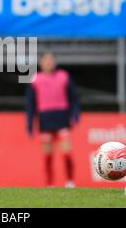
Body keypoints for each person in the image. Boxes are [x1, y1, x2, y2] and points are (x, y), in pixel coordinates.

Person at [26, 52, 80, 188]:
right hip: (45, 118)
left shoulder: (63, 76)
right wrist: (30, 124)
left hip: (62, 117)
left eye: (51, 60)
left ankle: (70, 181)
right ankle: (50, 184)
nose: (49, 63)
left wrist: (76, 114)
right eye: (46, 60)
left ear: (55, 62)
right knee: (47, 155)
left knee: (67, 152)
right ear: (41, 63)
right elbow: (31, 104)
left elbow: (74, 97)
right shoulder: (36, 79)